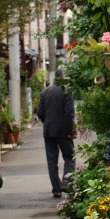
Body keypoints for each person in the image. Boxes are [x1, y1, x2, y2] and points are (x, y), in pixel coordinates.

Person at [37, 68, 76, 197]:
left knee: (52, 160)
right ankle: (67, 184)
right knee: (69, 157)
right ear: (63, 77)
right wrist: (71, 130)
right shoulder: (66, 90)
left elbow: (40, 113)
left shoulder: (45, 91)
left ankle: (56, 188)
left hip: (49, 130)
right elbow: (69, 112)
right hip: (63, 130)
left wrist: (47, 122)